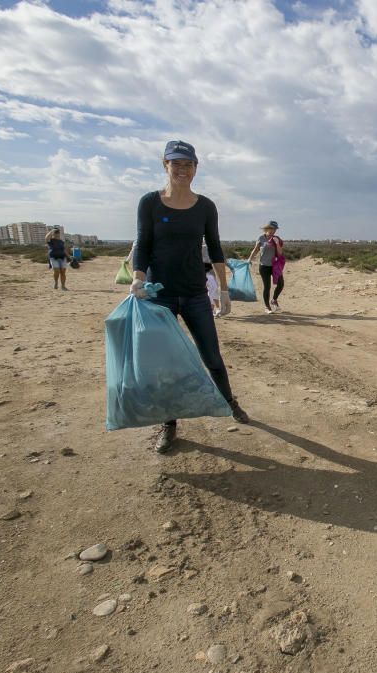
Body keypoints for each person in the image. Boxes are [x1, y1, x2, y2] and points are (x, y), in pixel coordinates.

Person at [130, 140, 251, 454]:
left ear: (195, 168)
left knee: (212, 356)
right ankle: (168, 425)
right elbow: (142, 245)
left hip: (196, 294)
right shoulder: (150, 203)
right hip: (160, 296)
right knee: (165, 364)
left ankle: (230, 402)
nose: (182, 169)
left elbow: (215, 249)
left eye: (188, 164)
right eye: (176, 163)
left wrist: (223, 290)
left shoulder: (205, 206)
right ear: (165, 165)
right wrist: (137, 278)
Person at [247, 220, 284, 313]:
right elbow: (255, 250)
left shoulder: (277, 238)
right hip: (264, 266)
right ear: (266, 228)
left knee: (280, 284)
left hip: (275, 266)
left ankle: (274, 300)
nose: (273, 231)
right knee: (267, 287)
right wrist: (249, 260)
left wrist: (277, 243)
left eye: (275, 229)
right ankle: (267, 307)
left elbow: (280, 253)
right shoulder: (261, 238)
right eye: (271, 228)